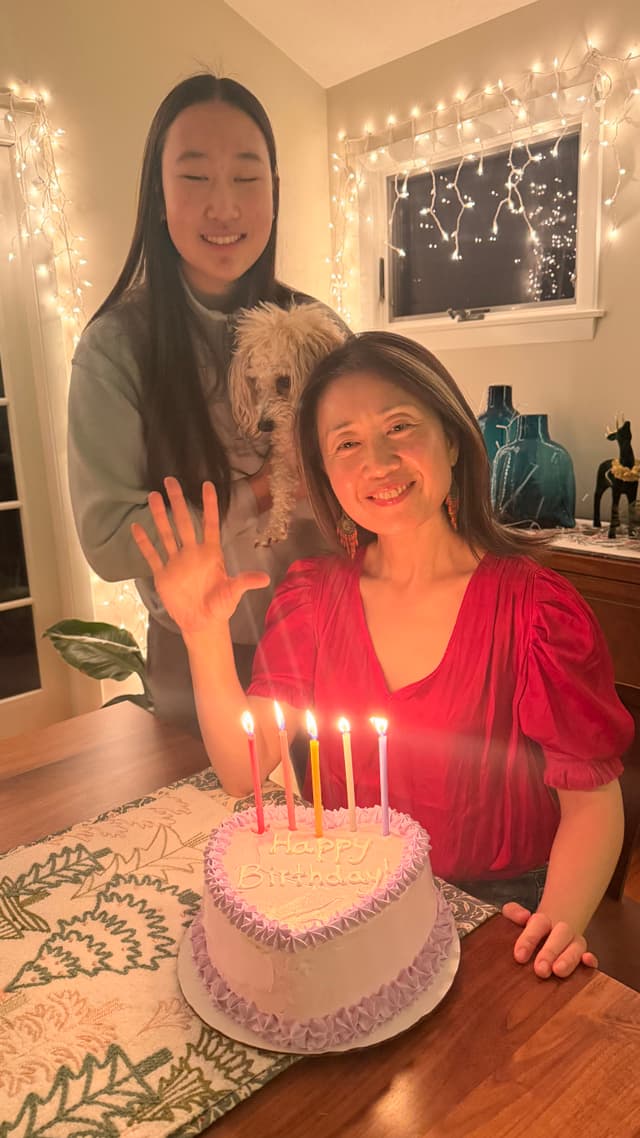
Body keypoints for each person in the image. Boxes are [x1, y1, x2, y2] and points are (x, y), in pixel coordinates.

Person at [131, 331, 634, 980]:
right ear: (325, 474)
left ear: (453, 437)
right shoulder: (312, 599)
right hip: (348, 902)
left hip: (499, 914)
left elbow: (593, 804)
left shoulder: (538, 611)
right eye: (346, 442)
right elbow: (243, 771)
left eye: (400, 426)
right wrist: (202, 635)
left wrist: (555, 928)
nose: (378, 461)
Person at [68, 73, 345, 731]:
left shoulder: (318, 328)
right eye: (195, 178)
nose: (224, 207)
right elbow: (108, 540)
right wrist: (261, 487)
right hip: (201, 660)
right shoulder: (116, 346)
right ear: (157, 197)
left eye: (247, 178)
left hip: (334, 642)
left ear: (275, 193)